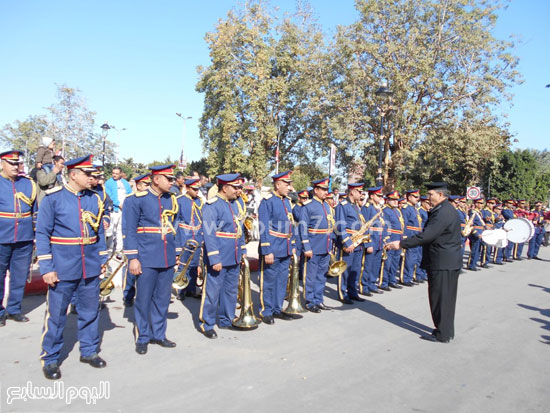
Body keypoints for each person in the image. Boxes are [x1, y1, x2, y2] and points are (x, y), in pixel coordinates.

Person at [36, 154, 108, 380]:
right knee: (56, 315)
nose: (92, 177)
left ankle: (88, 351)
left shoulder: (94, 198)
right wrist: (46, 267)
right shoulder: (53, 198)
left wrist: (101, 260)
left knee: (89, 311)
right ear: (73, 174)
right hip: (63, 265)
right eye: (88, 174)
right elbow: (42, 233)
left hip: (89, 265)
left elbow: (99, 233)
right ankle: (50, 358)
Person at [387, 182, 462, 343]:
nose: (428, 198)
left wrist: (401, 244)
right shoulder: (446, 209)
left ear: (441, 195)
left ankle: (442, 333)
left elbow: (428, 235)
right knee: (446, 298)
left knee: (440, 298)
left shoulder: (443, 212)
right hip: (447, 261)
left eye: (431, 194)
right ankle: (447, 330)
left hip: (442, 262)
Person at [122, 165, 179, 355]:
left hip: (166, 256)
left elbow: (174, 226)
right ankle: (143, 336)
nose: (172, 182)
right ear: (156, 179)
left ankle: (159, 334)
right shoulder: (136, 200)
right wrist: (132, 258)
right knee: (144, 299)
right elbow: (129, 230)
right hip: (145, 256)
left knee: (162, 300)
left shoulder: (172, 200)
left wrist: (176, 253)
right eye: (168, 179)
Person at [199, 173, 246, 339]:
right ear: (225, 188)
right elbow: (209, 233)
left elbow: (239, 231)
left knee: (231, 290)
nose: (239, 190)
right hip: (219, 255)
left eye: (239, 187)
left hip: (233, 254)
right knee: (212, 292)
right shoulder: (212, 205)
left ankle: (226, 319)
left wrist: (242, 251)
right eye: (236, 187)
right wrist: (214, 258)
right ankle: (208, 323)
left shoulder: (235, 205)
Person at [0, 150, 37, 327]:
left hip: (24, 237)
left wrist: (36, 235)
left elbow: (35, 211)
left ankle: (14, 309)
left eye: (17, 163)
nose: (15, 166)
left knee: (19, 276)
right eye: (11, 163)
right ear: (2, 164)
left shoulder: (28, 184)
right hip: (2, 236)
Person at [257, 171, 299, 324]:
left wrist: (293, 243)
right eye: (287, 184)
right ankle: (266, 310)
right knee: (268, 280)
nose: (289, 187)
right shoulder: (267, 201)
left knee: (281, 281)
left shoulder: (287, 201)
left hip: (285, 247)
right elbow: (263, 227)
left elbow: (290, 224)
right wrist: (267, 250)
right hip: (273, 247)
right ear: (277, 184)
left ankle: (277, 308)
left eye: (289, 184)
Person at [298, 178, 334, 313]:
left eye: (327, 190)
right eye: (323, 189)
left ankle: (319, 299)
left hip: (325, 246)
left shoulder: (327, 206)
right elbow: (303, 228)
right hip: (313, 246)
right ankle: (310, 301)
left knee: (322, 275)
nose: (326, 192)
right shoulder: (308, 206)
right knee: (311, 276)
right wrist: (306, 247)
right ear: (316, 190)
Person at [120, 173, 150, 307]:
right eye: (145, 184)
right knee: (131, 270)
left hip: (146, 239)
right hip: (134, 238)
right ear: (138, 185)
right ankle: (128, 294)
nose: (148, 187)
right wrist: (127, 241)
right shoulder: (130, 199)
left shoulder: (150, 199)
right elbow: (127, 223)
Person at [334, 182, 367, 304]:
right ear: (352, 192)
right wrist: (347, 243)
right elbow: (340, 226)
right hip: (348, 242)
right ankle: (343, 294)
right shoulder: (342, 206)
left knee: (355, 269)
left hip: (358, 242)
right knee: (345, 270)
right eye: (359, 191)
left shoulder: (356, 206)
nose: (361, 194)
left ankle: (353, 292)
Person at [175, 177, 204, 301]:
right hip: (183, 237)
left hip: (196, 236)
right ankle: (181, 289)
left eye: (198, 189)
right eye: (194, 189)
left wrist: (201, 237)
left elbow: (203, 221)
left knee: (193, 265)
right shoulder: (179, 201)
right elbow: (175, 223)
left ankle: (191, 289)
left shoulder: (200, 202)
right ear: (187, 188)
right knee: (182, 265)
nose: (197, 191)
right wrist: (176, 246)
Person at [359, 186, 386, 295]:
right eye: (378, 195)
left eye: (380, 196)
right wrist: (367, 243)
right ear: (371, 196)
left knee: (375, 265)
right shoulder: (367, 207)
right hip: (371, 239)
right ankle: (364, 287)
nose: (380, 197)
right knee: (367, 265)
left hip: (379, 240)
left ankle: (372, 284)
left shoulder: (378, 208)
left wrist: (384, 240)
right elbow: (364, 227)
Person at [105, 166, 132, 253]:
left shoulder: (125, 183)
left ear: (121, 174)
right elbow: (110, 196)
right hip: (114, 209)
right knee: (111, 230)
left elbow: (129, 194)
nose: (114, 175)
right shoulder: (108, 183)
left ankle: (119, 249)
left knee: (120, 230)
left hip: (124, 209)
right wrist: (119, 204)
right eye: (113, 173)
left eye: (116, 173)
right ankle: (109, 249)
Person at [381, 191, 404, 291]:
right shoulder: (385, 210)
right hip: (390, 238)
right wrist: (387, 240)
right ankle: (384, 282)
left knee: (395, 261)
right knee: (387, 262)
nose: (395, 201)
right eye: (393, 199)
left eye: (396, 200)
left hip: (398, 238)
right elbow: (385, 226)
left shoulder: (397, 211)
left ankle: (392, 280)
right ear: (388, 200)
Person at [401, 189, 423, 286]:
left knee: (415, 258)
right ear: (409, 197)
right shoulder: (406, 208)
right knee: (409, 258)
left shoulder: (414, 208)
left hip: (416, 234)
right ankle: (405, 278)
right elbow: (404, 223)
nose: (417, 199)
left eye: (418, 197)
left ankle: (411, 276)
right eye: (415, 197)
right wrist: (405, 236)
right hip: (410, 235)